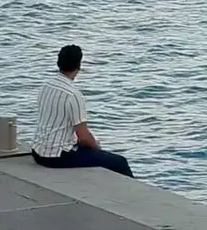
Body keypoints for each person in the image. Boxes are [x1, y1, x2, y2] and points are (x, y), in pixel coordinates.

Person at [31, 44, 134, 177]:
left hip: (38, 152)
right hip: (56, 157)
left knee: (85, 149)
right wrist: (97, 148)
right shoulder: (73, 94)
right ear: (79, 65)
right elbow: (84, 136)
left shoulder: (46, 86)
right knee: (119, 162)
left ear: (59, 63)